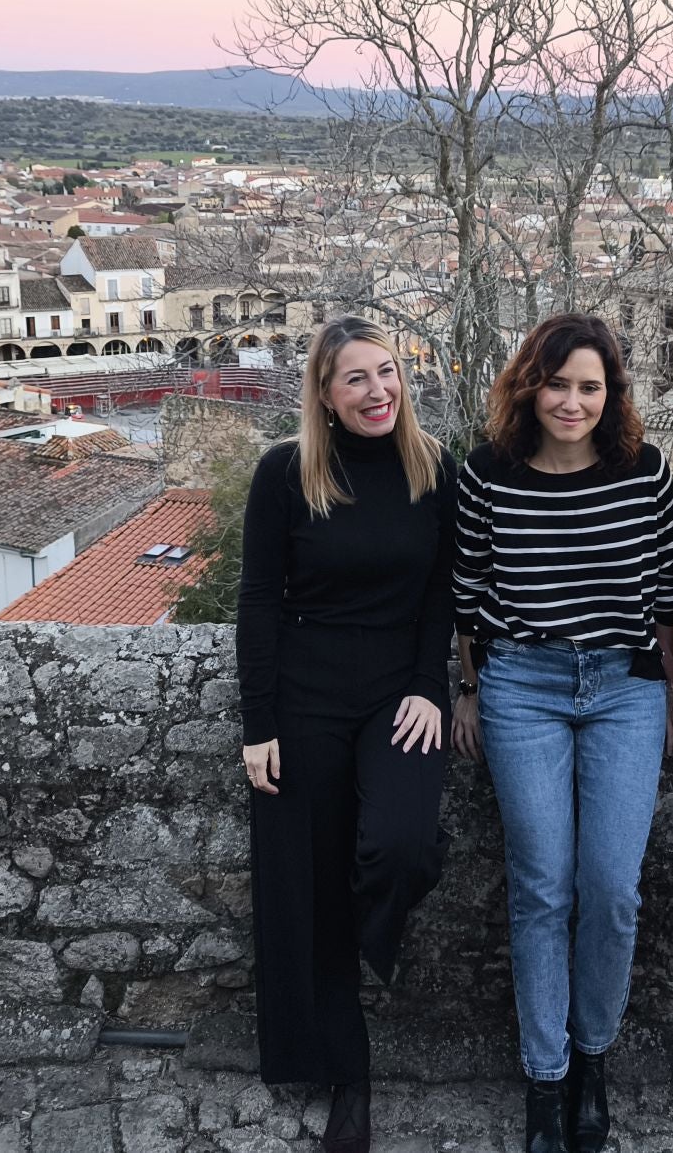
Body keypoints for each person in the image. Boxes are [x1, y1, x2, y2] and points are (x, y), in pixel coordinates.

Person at [452, 312, 673, 1153]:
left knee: (611, 889)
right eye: (558, 383)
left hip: (624, 686)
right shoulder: (488, 475)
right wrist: (471, 692)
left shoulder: (647, 472)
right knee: (543, 886)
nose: (573, 401)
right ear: (530, 385)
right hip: (523, 683)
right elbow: (469, 592)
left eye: (591, 386)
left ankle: (594, 1057)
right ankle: (546, 1080)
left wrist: (669, 685)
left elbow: (667, 584)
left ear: (611, 393)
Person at [237, 316, 458, 1153]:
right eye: (356, 379)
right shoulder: (287, 473)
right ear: (325, 396)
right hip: (305, 697)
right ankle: (347, 1076)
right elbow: (258, 601)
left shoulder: (435, 469)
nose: (378, 391)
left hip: (397, 694)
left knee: (401, 845)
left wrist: (431, 687)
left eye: (388, 372)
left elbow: (444, 593)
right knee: (310, 883)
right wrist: (259, 725)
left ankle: (373, 948)